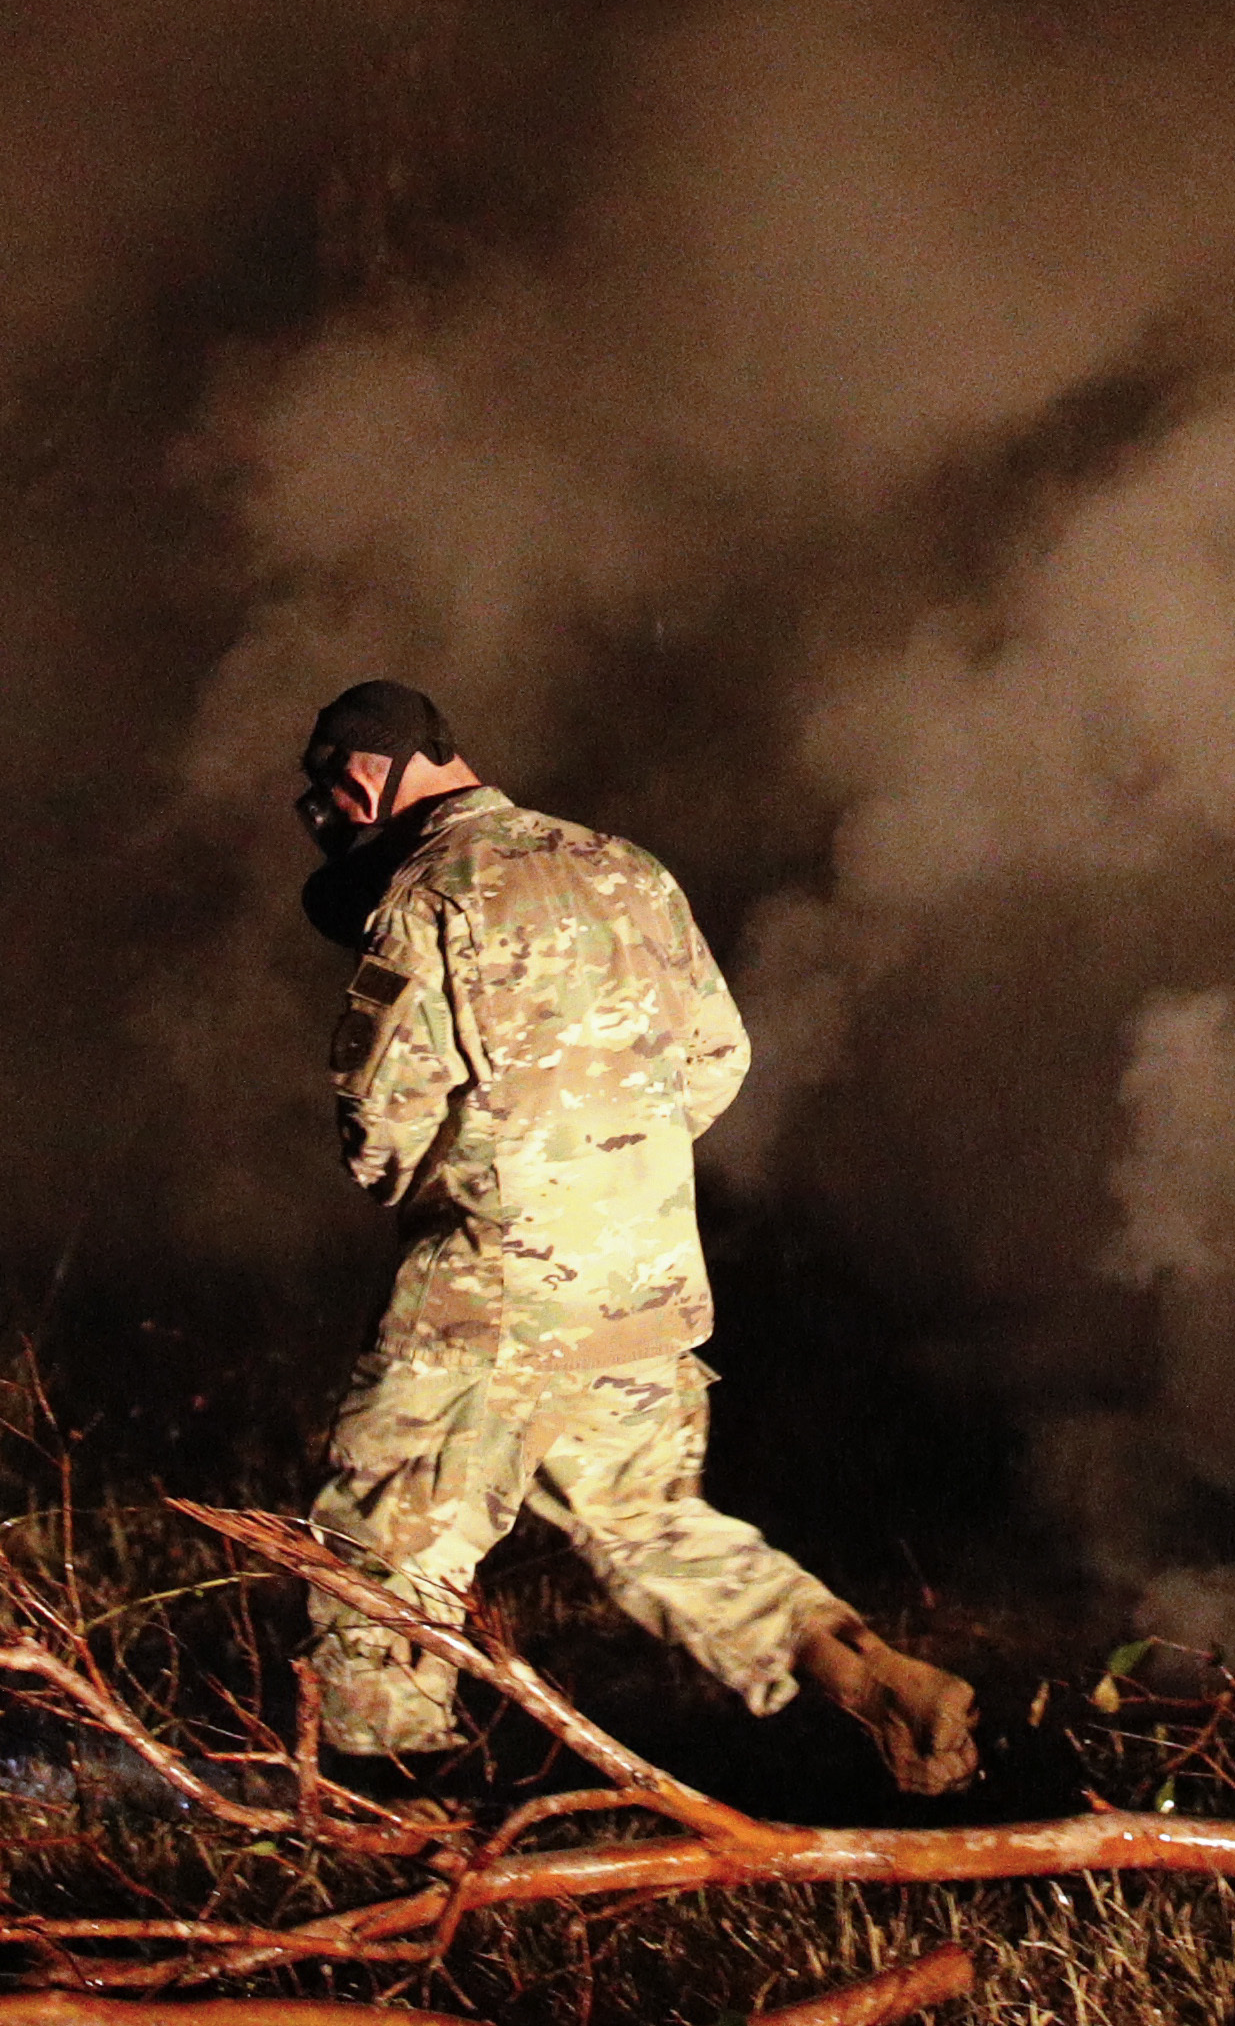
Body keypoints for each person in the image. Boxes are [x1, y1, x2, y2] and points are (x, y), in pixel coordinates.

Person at [288, 676, 977, 1795]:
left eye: (324, 806)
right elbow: (716, 1057)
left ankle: (383, 1828)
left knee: (384, 1542)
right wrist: (609, 1174)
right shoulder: (626, 868)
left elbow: (382, 1120)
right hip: (641, 1279)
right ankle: (864, 1678)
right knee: (648, 1522)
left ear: (361, 783)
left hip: (492, 1289)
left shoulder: (430, 894)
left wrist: (465, 1191)